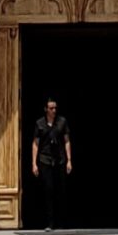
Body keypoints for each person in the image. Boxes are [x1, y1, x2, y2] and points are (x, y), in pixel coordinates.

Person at [30, 95, 72, 227]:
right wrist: (34, 163)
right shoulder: (40, 123)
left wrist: (69, 160)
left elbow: (67, 141)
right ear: (45, 109)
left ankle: (62, 221)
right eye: (51, 108)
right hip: (45, 160)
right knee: (48, 190)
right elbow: (35, 143)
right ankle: (49, 222)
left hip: (59, 160)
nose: (54, 110)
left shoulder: (62, 122)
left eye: (55, 108)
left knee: (61, 190)